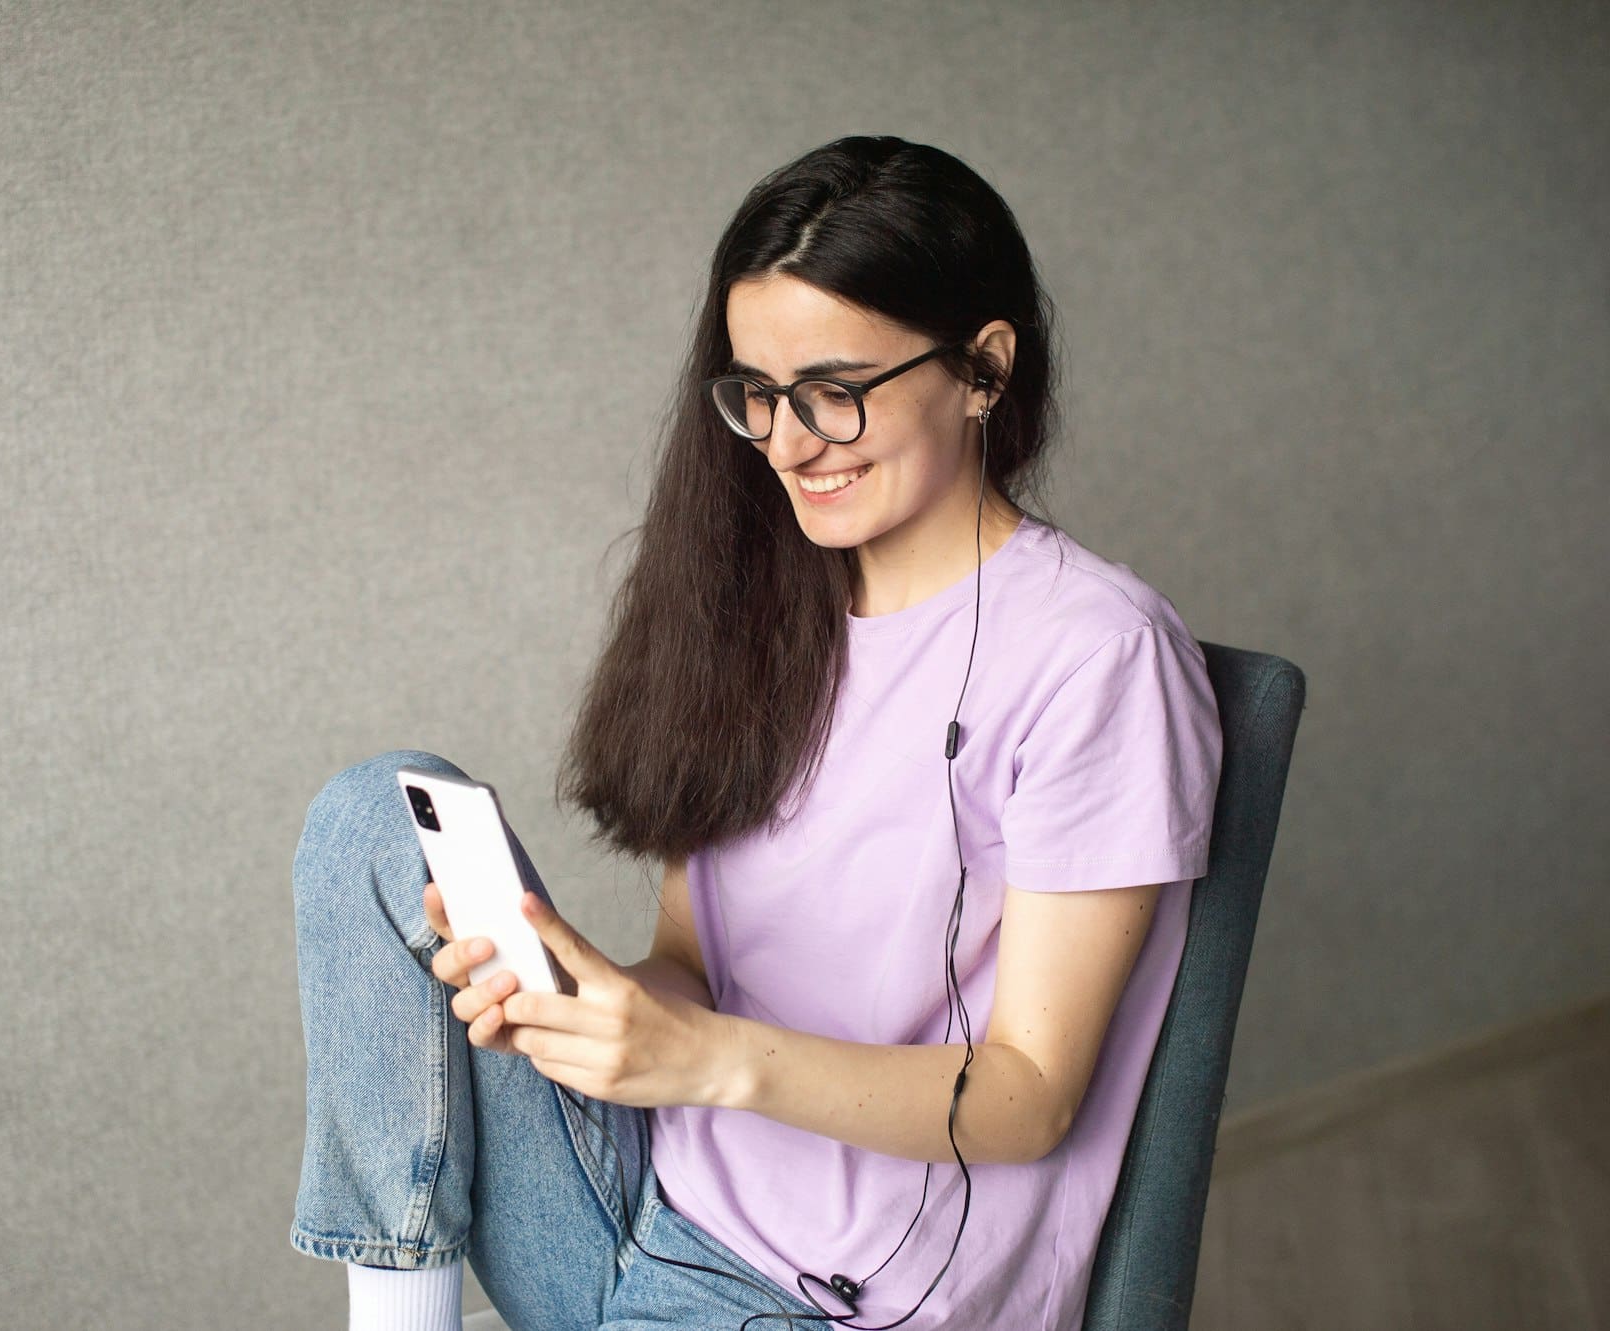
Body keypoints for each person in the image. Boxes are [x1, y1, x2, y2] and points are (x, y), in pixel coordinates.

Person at [290, 135, 1224, 1331]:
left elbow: (1028, 1096)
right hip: (642, 1193)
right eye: (758, 396)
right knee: (378, 810)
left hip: (830, 1301)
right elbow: (692, 952)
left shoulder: (1096, 656)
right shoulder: (769, 609)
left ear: (984, 370)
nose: (788, 441)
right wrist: (599, 1009)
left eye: (835, 388)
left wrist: (704, 1056)